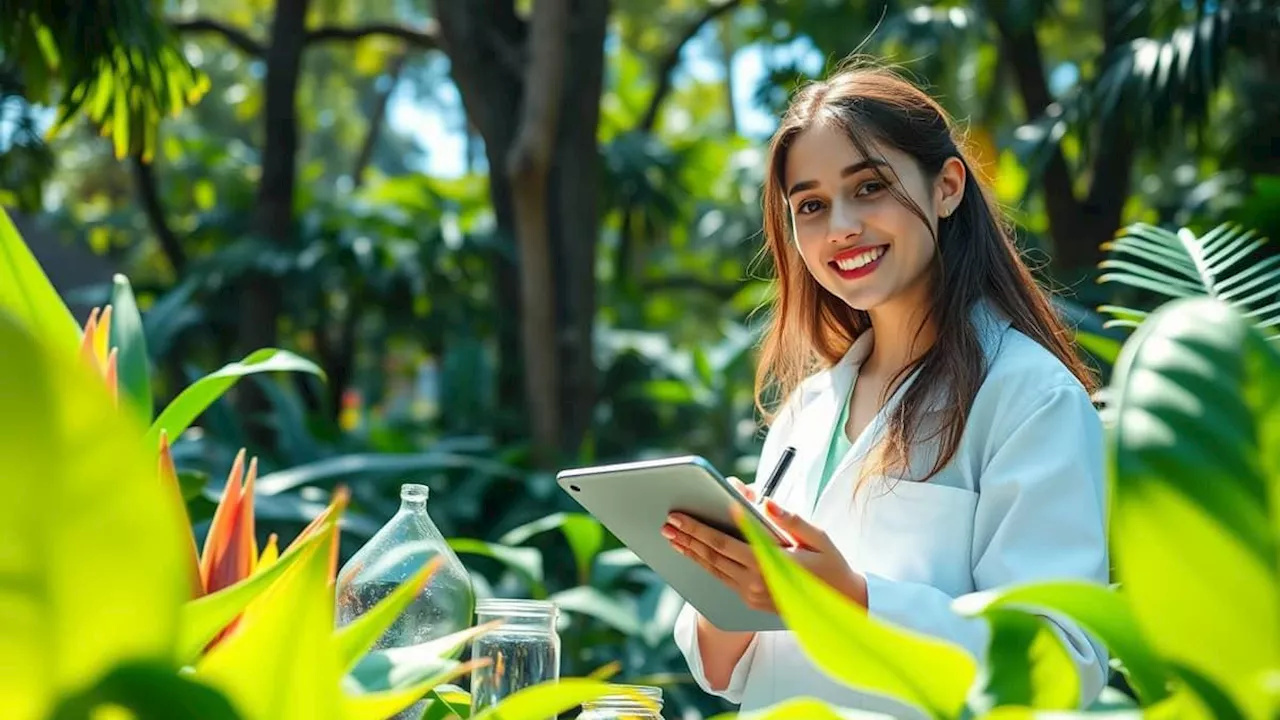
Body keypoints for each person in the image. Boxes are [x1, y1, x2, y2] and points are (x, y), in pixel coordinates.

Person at [663, 58, 1111, 717]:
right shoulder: (808, 410)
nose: (840, 226)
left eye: (869, 187)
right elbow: (729, 673)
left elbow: (1061, 660)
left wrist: (850, 595)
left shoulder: (1029, 397)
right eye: (810, 205)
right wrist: (730, 584)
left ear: (947, 187)